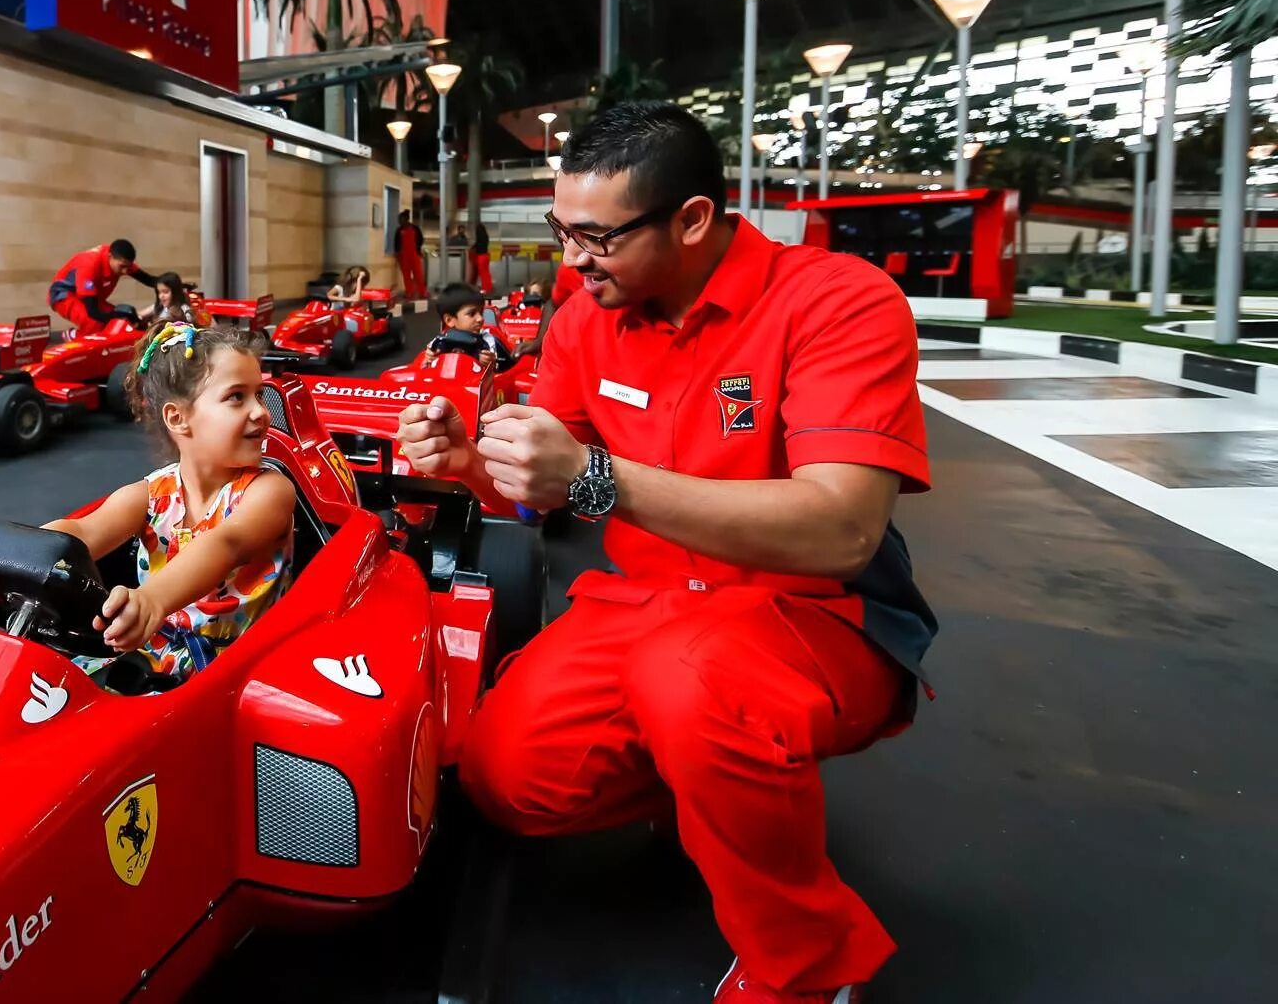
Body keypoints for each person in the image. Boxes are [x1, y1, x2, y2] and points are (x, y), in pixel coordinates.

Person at [396, 103, 933, 1003]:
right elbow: (548, 476)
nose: (571, 259)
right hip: (644, 606)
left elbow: (845, 527)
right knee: (504, 777)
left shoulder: (837, 301)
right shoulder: (583, 321)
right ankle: (712, 783)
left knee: (693, 683)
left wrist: (602, 479)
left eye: (596, 237)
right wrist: (471, 463)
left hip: (813, 611)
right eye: (562, 230)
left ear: (690, 219)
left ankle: (807, 963)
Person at [0, 323, 292, 678]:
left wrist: (152, 599)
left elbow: (224, 544)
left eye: (259, 394)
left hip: (233, 669)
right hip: (147, 653)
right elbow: (76, 534)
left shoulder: (269, 492)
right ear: (178, 418)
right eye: (236, 397)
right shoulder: (149, 495)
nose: (261, 411)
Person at [48, 238, 153, 336]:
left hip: (88, 296)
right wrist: (113, 317)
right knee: (94, 323)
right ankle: (73, 336)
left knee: (123, 320)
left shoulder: (120, 260)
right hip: (64, 294)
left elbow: (149, 280)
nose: (125, 271)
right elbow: (92, 312)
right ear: (110, 257)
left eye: (128, 267)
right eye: (122, 267)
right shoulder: (90, 265)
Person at [436, 281, 524, 369]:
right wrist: (430, 356)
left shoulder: (491, 341)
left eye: (481, 312)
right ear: (449, 320)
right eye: (472, 314)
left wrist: (492, 363)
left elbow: (512, 369)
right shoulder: (441, 341)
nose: (480, 319)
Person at [139, 271, 209, 327]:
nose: (161, 296)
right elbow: (140, 314)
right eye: (159, 292)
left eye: (165, 292)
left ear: (175, 292)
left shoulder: (185, 310)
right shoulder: (159, 306)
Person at [393, 208, 427, 301]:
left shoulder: (415, 228)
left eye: (401, 219)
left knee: (418, 274)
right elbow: (396, 244)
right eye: (399, 220)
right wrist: (397, 253)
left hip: (414, 254)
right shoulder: (399, 230)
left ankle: (422, 292)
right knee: (406, 275)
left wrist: (418, 249)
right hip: (403, 256)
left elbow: (421, 239)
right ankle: (409, 292)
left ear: (406, 219)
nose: (400, 221)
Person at [471, 221, 494, 295]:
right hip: (486, 255)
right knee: (486, 273)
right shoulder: (486, 236)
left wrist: (472, 248)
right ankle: (488, 287)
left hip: (481, 256)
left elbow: (477, 246)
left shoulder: (479, 238)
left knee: (482, 273)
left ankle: (485, 289)